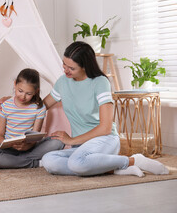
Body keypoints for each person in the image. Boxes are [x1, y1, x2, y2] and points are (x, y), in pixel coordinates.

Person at [41, 41, 169, 177]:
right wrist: (20, 102)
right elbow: (43, 105)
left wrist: (71, 140)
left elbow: (105, 128)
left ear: (85, 67)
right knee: (48, 160)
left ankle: (134, 160)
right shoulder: (63, 82)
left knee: (76, 163)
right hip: (81, 146)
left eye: (71, 68)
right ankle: (114, 168)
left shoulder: (99, 83)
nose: (65, 70)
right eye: (64, 64)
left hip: (104, 140)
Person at [0, 68, 64, 168]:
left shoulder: (39, 108)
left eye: (28, 93)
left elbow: (35, 136)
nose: (23, 96)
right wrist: (9, 144)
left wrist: (28, 145)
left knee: (58, 142)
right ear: (15, 84)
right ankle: (33, 163)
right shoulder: (6, 105)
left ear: (36, 91)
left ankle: (18, 161)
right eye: (20, 91)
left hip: (30, 148)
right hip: (9, 149)